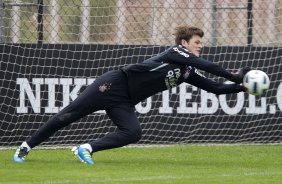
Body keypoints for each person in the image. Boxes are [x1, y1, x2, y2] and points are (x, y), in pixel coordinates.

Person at [13, 25, 250, 164]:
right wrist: (236, 75)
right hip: (112, 84)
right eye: (197, 42)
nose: (200, 46)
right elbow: (210, 67)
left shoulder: (187, 71)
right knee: (66, 116)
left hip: (124, 100)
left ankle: (85, 148)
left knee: (133, 132)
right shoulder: (175, 52)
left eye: (201, 43)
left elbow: (216, 88)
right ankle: (25, 146)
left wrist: (243, 87)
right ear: (184, 42)